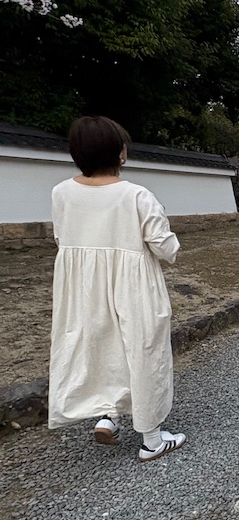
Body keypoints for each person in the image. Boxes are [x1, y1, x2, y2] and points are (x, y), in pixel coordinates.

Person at [48, 116, 186, 462]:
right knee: (143, 349)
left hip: (84, 288)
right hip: (133, 287)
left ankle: (108, 416)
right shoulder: (136, 195)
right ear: (119, 153)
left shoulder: (61, 193)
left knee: (99, 346)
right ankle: (152, 440)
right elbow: (165, 248)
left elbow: (62, 238)